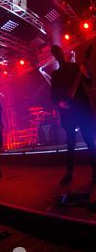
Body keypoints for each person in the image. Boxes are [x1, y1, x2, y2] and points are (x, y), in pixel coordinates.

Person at [50, 45, 95, 185]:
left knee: (89, 141)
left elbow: (89, 82)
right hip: (68, 113)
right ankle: (69, 173)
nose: (58, 54)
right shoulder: (55, 75)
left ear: (61, 53)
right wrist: (60, 104)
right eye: (55, 53)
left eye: (58, 51)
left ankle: (95, 171)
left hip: (81, 109)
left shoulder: (76, 67)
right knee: (70, 144)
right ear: (54, 56)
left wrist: (86, 72)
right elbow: (53, 95)